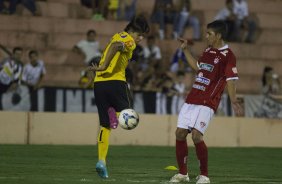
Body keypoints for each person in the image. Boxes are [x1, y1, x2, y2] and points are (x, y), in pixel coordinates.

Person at [169, 20, 243, 183]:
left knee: (196, 136)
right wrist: (185, 50)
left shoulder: (229, 56)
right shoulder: (208, 51)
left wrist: (234, 100)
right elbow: (198, 67)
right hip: (192, 98)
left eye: (209, 33)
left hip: (208, 101)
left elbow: (231, 80)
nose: (206, 36)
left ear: (218, 35)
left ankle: (204, 175)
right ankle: (183, 174)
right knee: (180, 133)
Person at [87, 15, 150, 178]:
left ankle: (101, 161)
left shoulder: (116, 34)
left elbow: (114, 44)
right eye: (140, 35)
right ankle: (114, 114)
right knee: (129, 115)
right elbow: (116, 46)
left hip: (99, 84)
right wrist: (104, 66)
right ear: (133, 31)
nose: (140, 39)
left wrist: (101, 69)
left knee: (105, 126)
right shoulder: (129, 40)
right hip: (116, 82)